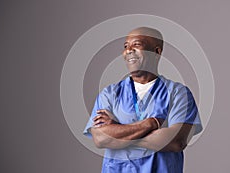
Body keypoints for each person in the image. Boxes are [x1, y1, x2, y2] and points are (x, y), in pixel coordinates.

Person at [83, 27, 202, 173]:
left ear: (156, 52)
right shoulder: (110, 94)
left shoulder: (178, 93)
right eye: (126, 46)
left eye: (137, 44)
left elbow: (176, 142)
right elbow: (101, 139)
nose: (129, 50)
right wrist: (150, 124)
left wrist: (118, 131)